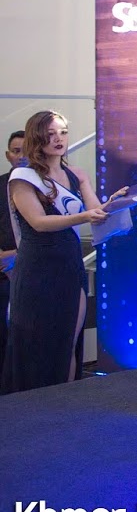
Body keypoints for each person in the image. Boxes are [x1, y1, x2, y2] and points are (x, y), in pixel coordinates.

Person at [2, 112, 111, 393]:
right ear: (36, 136)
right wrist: (85, 216)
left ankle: (66, 404)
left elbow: (96, 211)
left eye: (62, 132)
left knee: (68, 341)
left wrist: (115, 202)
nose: (58, 139)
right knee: (37, 345)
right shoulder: (23, 177)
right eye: (50, 134)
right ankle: (32, 407)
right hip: (37, 269)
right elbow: (38, 222)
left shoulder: (77, 174)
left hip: (69, 264)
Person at [1, 129, 23, 379]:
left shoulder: (46, 185)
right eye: (17, 151)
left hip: (33, 267)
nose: (22, 156)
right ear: (8, 155)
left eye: (27, 150)